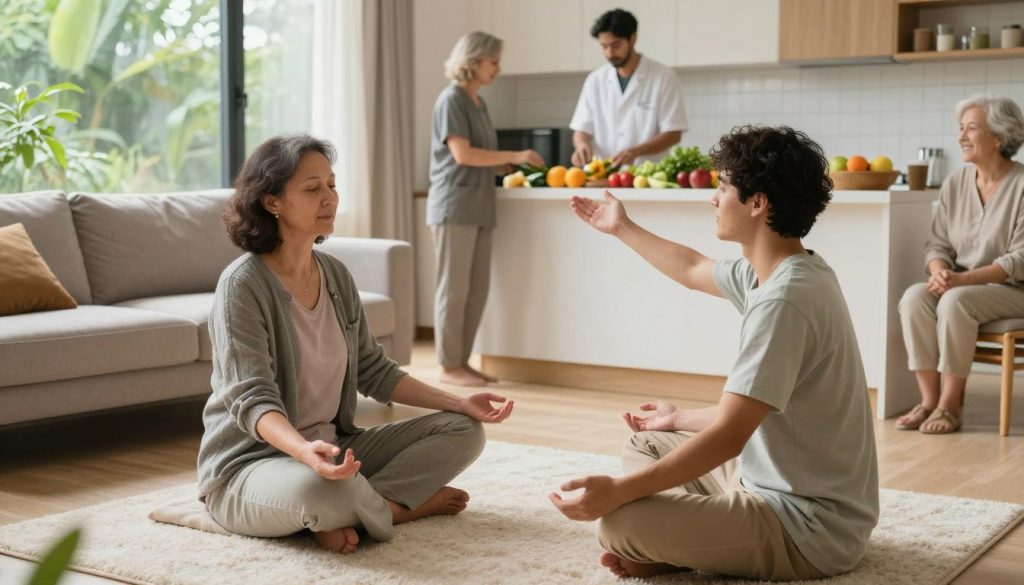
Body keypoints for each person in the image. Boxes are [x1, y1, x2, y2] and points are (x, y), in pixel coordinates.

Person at [550, 126, 879, 580]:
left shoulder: (784, 301)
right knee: (647, 442)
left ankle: (688, 546)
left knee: (619, 521)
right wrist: (621, 227)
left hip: (808, 529)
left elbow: (729, 436)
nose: (713, 198)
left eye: (723, 188)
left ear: (758, 203)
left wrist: (619, 492)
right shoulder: (785, 271)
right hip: (761, 484)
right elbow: (691, 267)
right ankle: (695, 543)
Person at [197, 134, 514, 555]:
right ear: (272, 201)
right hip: (250, 465)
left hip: (334, 448)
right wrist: (304, 452)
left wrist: (459, 402)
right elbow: (251, 399)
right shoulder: (243, 286)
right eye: (312, 189)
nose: (329, 197)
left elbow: (374, 371)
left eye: (331, 184)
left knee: (464, 430)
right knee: (320, 490)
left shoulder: (335, 275)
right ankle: (395, 509)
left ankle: (364, 507)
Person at [897, 95, 1024, 434]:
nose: (960, 138)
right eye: (960, 129)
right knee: (914, 297)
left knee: (955, 301)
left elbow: (1019, 260)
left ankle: (950, 406)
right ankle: (928, 401)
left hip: (1013, 290)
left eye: (971, 129)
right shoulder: (956, 183)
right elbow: (937, 243)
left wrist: (960, 280)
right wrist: (940, 270)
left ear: (999, 136)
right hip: (963, 283)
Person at [427, 31, 544, 387]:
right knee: (454, 290)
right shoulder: (452, 100)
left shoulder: (478, 103)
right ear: (474, 60)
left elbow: (478, 157)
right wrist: (514, 154)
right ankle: (449, 366)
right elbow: (462, 154)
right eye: (494, 61)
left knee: (476, 291)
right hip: (454, 204)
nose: (498, 68)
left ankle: (462, 362)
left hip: (478, 205)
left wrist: (505, 167)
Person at [569, 9, 687, 168]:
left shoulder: (664, 77)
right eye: (604, 46)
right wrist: (581, 145)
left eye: (616, 45)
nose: (609, 53)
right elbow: (582, 130)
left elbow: (673, 133)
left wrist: (636, 151)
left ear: (632, 39)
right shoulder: (595, 80)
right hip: (604, 175)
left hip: (647, 177)